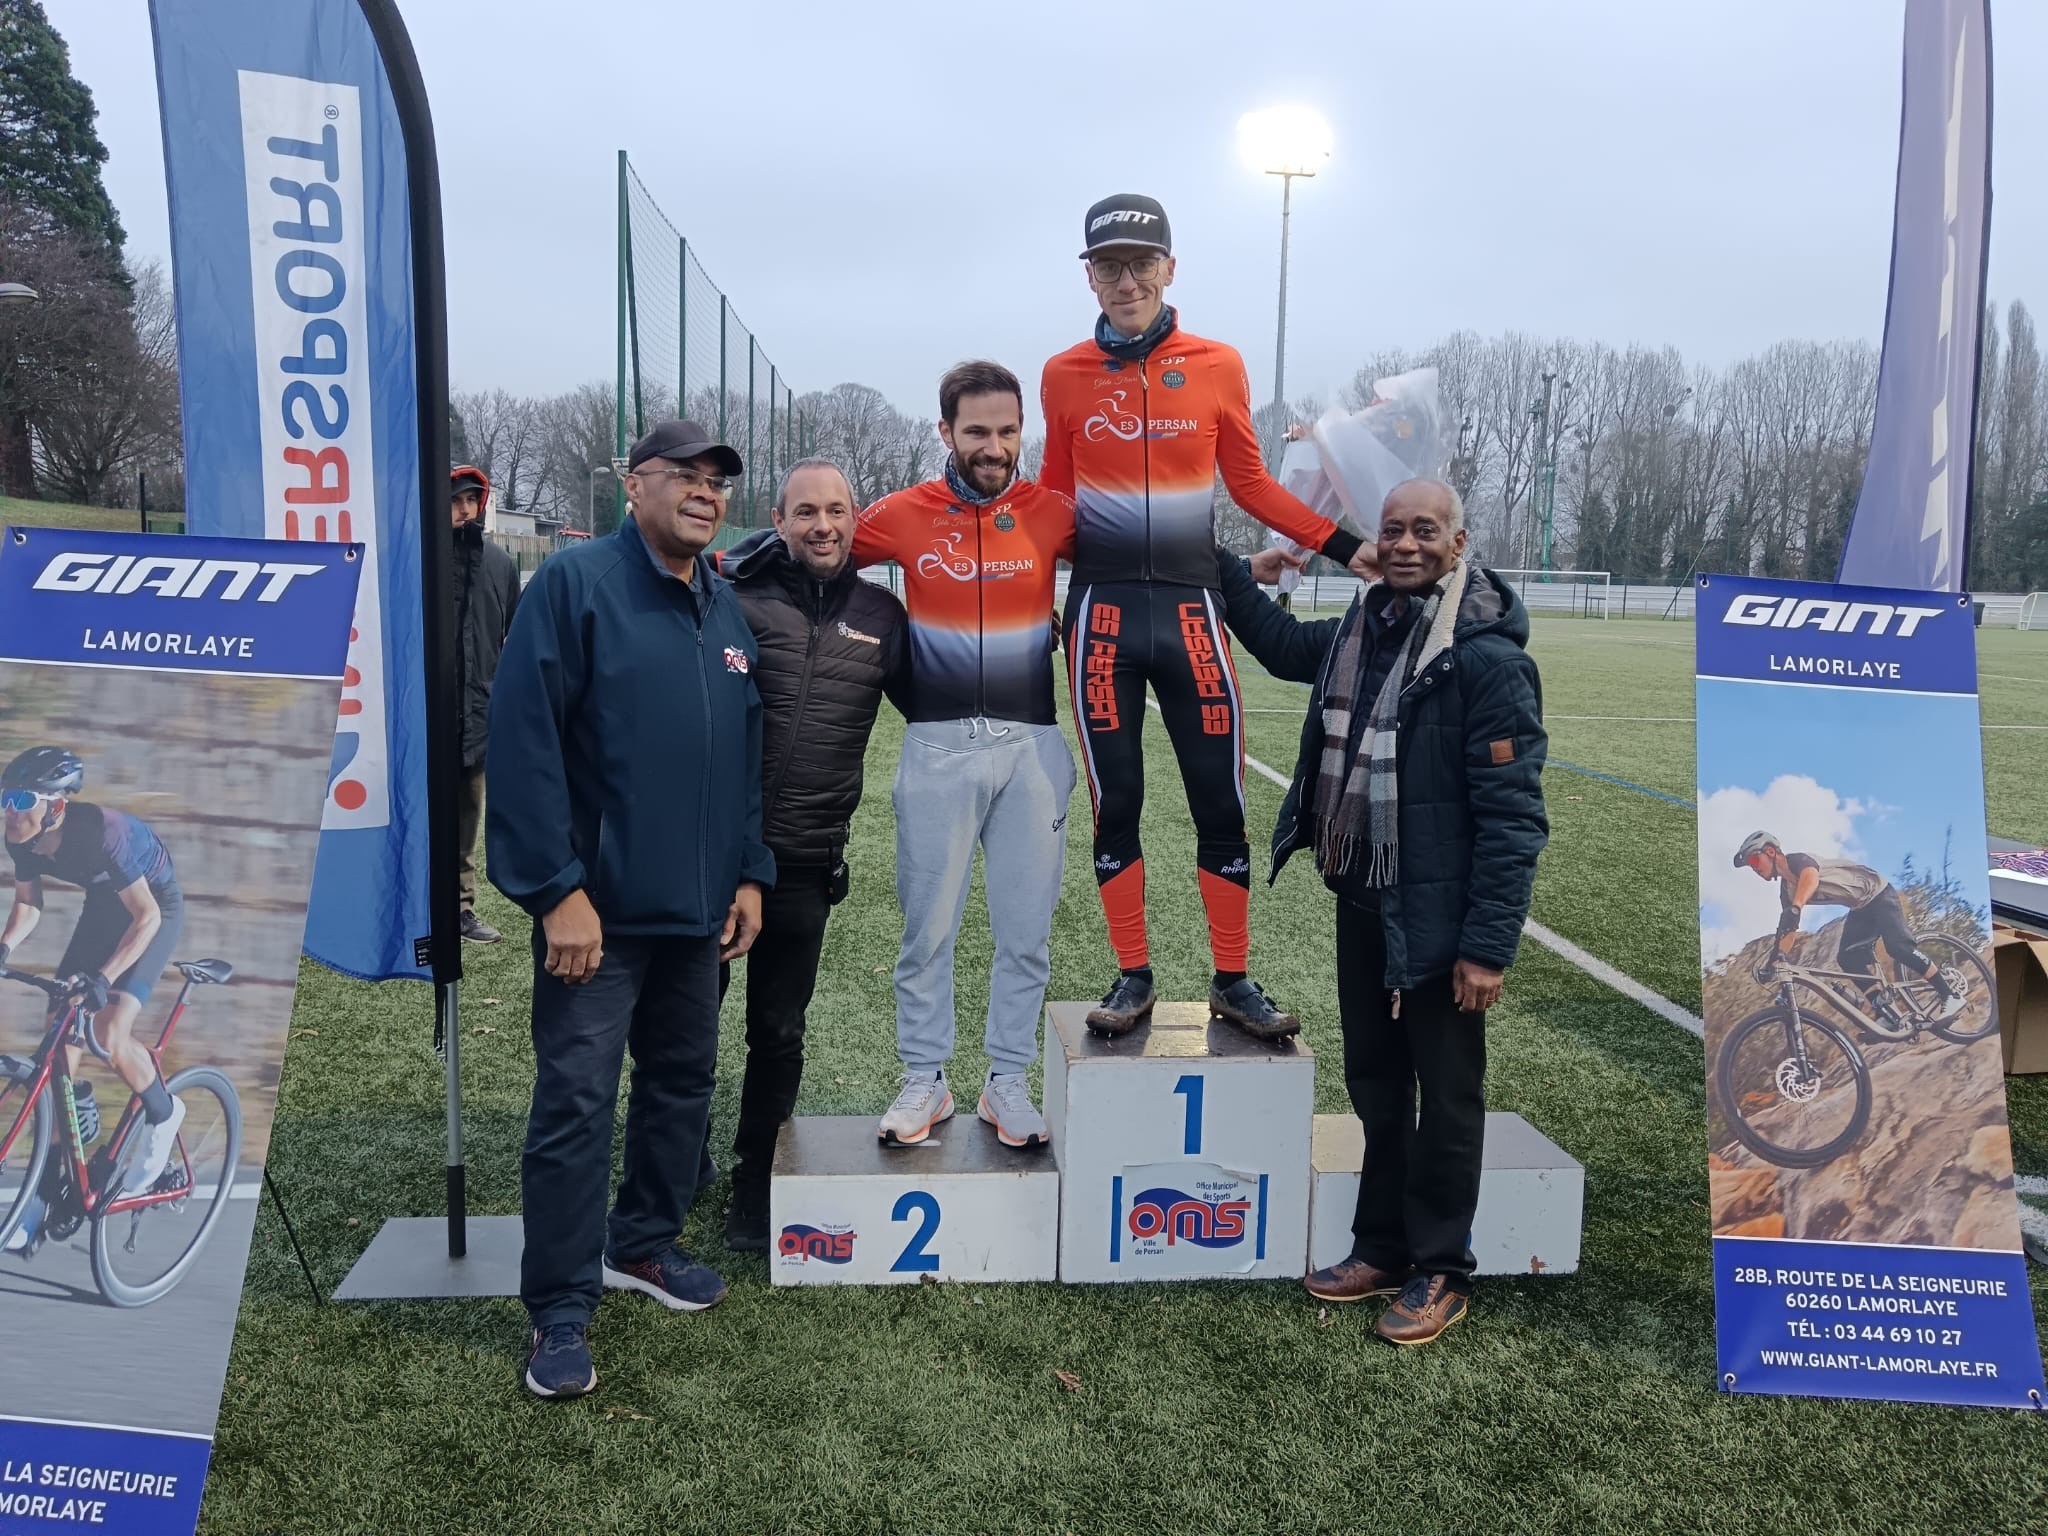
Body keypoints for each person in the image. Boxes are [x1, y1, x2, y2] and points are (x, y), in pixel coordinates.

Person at [1215, 478, 1548, 1346]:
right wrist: (1206, 556)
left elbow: (1515, 818)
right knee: (1375, 1085)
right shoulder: (1366, 628)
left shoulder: (1486, 657)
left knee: (1446, 1095)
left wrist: (1487, 948)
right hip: (1362, 894)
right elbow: (1284, 642)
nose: (1404, 544)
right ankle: (1382, 1246)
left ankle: (1442, 1266)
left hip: (1440, 920)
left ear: (1459, 541)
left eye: (1424, 531)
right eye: (1393, 529)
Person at [1040, 192, 1378, 1042]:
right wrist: (1021, 582)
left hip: (1194, 610)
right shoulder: (1062, 374)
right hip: (1103, 616)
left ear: (1169, 268)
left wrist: (1347, 548)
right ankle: (1132, 974)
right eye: (1107, 266)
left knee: (1218, 803)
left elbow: (1253, 487)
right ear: (1088, 275)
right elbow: (1051, 500)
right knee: (1115, 802)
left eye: (1139, 264)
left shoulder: (1219, 364)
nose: (1125, 280)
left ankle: (1232, 976)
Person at [487, 418, 773, 1400]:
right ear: (632, 483)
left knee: (681, 1087)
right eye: (682, 476)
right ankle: (560, 1311)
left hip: (697, 916)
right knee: (573, 1104)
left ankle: (642, 1245)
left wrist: (748, 873)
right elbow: (520, 740)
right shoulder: (574, 587)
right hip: (595, 918)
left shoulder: (724, 609)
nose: (703, 492)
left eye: (716, 481)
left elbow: (742, 763)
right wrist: (554, 891)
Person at [853, 360, 1077, 1150]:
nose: (994, 446)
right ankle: (926, 1079)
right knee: (929, 929)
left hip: (1033, 750)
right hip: (938, 744)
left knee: (1025, 931)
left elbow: (1140, 563)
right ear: (945, 431)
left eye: (1008, 431)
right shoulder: (901, 514)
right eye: (977, 431)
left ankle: (1006, 1080)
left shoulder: (1051, 512)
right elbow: (814, 558)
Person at [715, 458, 909, 1249]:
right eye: (804, 512)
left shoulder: (882, 615)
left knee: (779, 1030)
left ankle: (755, 1180)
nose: (822, 525)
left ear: (855, 516)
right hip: (718, 856)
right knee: (687, 1023)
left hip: (803, 861)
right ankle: (672, 1161)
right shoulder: (736, 595)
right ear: (778, 516)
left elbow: (934, 704)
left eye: (835, 510)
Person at [0, 747, 187, 1251]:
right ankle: (43, 1198)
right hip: (105, 908)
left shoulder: (104, 832)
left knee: (106, 1030)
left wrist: (104, 978)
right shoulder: (21, 836)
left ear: (55, 806)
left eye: (20, 799)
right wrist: (4, 946)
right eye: (4, 798)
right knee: (59, 1037)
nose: (9, 810)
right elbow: (28, 903)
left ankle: (164, 1111)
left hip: (154, 910)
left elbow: (145, 918)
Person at [1735, 832, 1961, 1019]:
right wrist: (1774, 961)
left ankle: (1950, 994)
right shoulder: (1786, 891)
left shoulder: (1797, 861)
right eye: (1749, 866)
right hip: (1860, 908)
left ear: (1771, 852)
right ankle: (1886, 1014)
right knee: (1848, 957)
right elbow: (1788, 931)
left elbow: (1810, 878)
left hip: (1879, 893)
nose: (1753, 868)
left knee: (1898, 948)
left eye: (1754, 860)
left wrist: (1796, 907)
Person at [450, 465, 521, 944]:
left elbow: (515, 637)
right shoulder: (413, 556)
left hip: (478, 716)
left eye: (470, 500)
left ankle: (460, 910)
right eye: (454, 500)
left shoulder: (500, 564)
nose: (463, 509)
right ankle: (412, 908)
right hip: (420, 717)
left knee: (466, 818)